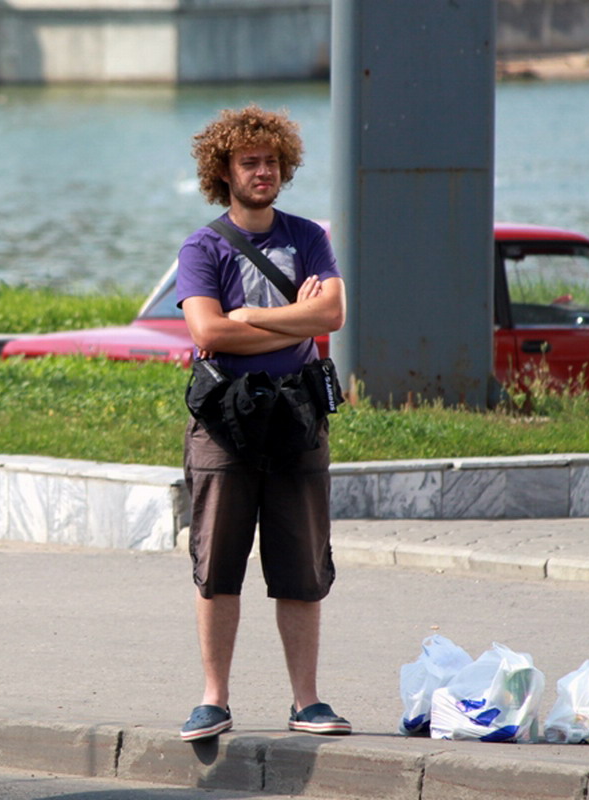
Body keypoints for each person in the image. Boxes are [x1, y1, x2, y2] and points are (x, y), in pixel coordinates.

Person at [175, 106, 350, 741]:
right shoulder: (204, 245)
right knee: (218, 563)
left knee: (301, 566)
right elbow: (205, 331)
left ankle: (307, 702)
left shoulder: (308, 236)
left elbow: (331, 316)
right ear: (223, 172)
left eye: (271, 161)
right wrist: (279, 318)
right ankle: (214, 700)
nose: (263, 171)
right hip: (226, 422)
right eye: (249, 162)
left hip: (298, 416)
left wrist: (249, 315)